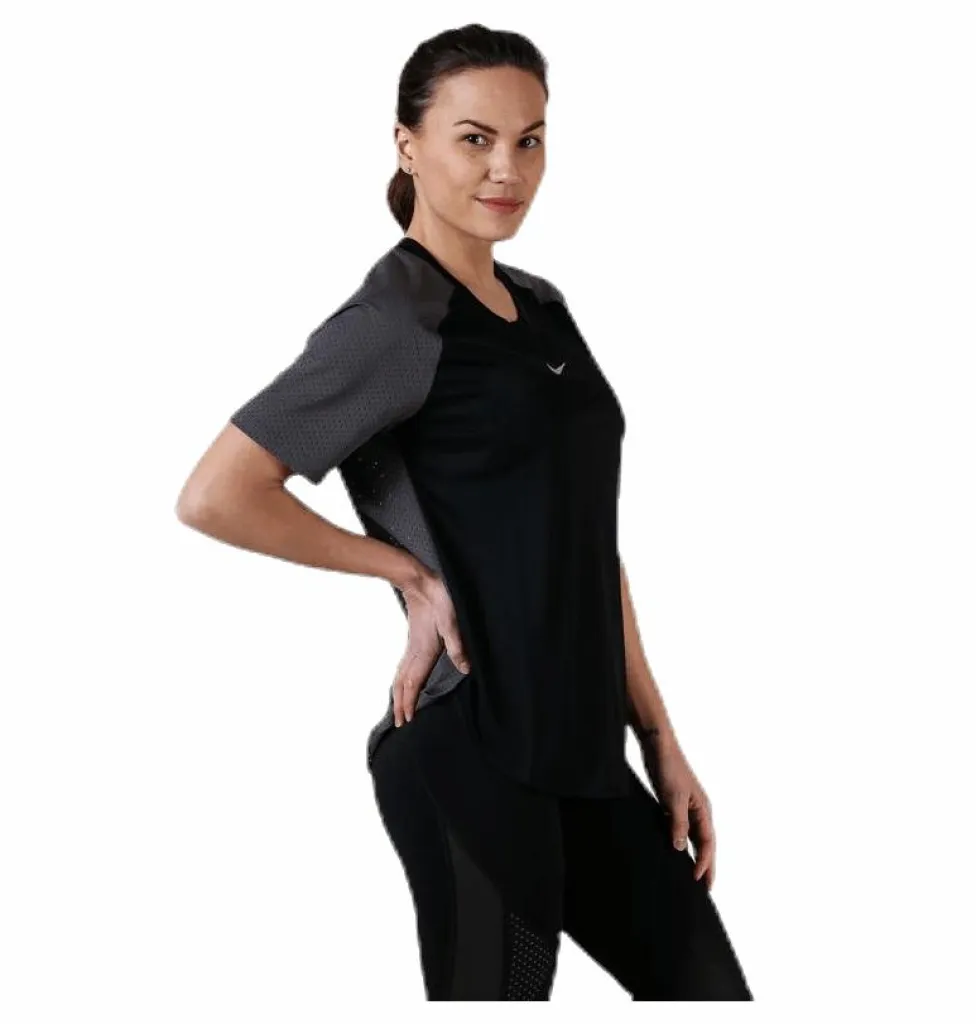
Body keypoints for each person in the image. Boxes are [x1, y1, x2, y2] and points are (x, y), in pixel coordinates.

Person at [177, 23, 753, 1002]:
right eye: (474, 139)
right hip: (473, 750)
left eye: (530, 140)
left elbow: (584, 541)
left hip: (586, 754)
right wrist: (406, 573)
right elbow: (217, 493)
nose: (507, 169)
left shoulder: (542, 305)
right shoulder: (396, 321)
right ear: (408, 145)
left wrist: (657, 735)